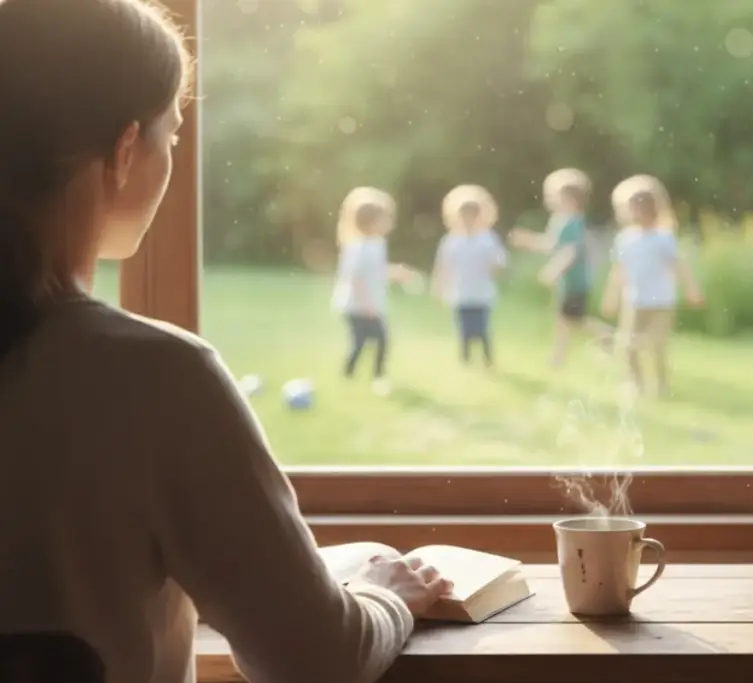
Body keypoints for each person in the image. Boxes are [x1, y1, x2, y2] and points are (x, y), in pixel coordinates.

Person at [0, 3, 450, 683]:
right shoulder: (153, 379)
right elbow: (318, 658)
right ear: (126, 151)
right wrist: (391, 594)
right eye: (173, 133)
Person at [602, 181, 705, 397]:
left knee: (657, 345)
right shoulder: (625, 239)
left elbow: (678, 265)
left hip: (661, 302)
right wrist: (611, 297)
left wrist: (691, 289)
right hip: (635, 301)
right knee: (628, 344)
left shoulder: (663, 238)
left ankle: (661, 385)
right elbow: (619, 271)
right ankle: (635, 383)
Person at [510, 171, 608, 367]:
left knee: (574, 319)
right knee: (565, 320)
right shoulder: (560, 220)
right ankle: (559, 357)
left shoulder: (573, 222)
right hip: (567, 281)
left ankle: (606, 335)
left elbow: (571, 251)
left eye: (554, 196)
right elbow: (550, 244)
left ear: (570, 199)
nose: (550, 200)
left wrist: (554, 270)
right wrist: (528, 240)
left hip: (575, 281)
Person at [332, 186, 420, 396]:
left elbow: (375, 271)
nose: (390, 222)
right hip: (359, 306)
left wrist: (397, 273)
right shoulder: (359, 246)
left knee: (365, 341)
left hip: (365, 305)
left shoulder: (376, 244)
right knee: (377, 340)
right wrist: (367, 304)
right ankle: (374, 377)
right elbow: (356, 278)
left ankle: (353, 374)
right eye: (385, 218)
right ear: (372, 222)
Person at [432, 185, 507, 367]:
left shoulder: (487, 238)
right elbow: (443, 265)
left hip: (482, 293)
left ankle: (488, 359)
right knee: (464, 329)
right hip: (460, 293)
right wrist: (439, 286)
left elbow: (499, 262)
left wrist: (494, 269)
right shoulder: (452, 241)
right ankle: (466, 360)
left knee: (482, 329)